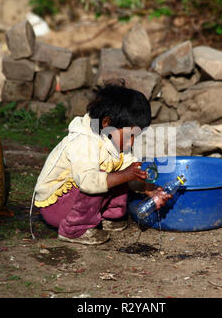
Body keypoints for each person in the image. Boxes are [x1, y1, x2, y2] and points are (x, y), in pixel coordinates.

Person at [33, 83, 171, 245]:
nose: (132, 142)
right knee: (100, 179)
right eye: (129, 136)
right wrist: (125, 174)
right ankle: (74, 229)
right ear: (107, 123)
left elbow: (131, 171)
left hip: (76, 201)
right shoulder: (83, 141)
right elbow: (88, 182)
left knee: (123, 171)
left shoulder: (117, 141)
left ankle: (109, 216)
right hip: (57, 206)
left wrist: (148, 188)